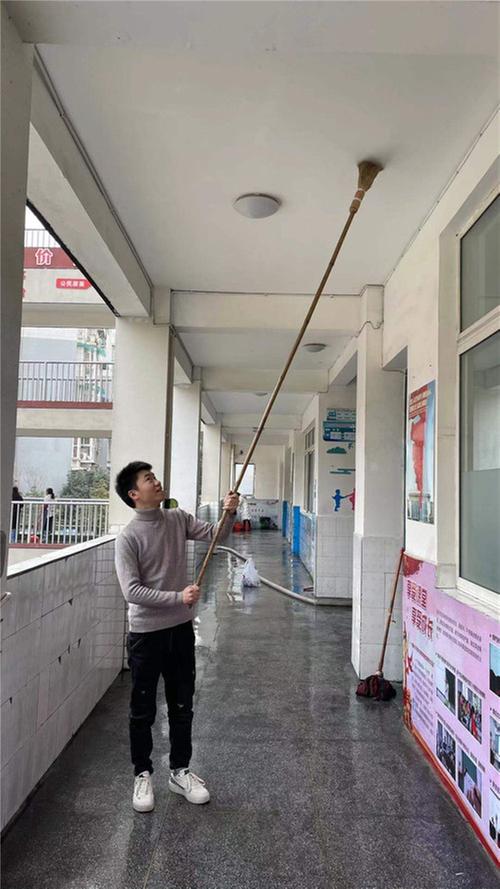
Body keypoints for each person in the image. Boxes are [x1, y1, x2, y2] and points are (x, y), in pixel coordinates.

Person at [114, 461, 239, 814]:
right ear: (134, 494)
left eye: (155, 476)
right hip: (146, 634)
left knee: (182, 705)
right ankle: (142, 775)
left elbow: (217, 535)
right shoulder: (128, 537)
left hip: (180, 630)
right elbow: (132, 591)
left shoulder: (177, 518)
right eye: (148, 479)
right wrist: (177, 597)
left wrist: (230, 512)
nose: (157, 482)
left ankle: (179, 771)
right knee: (143, 710)